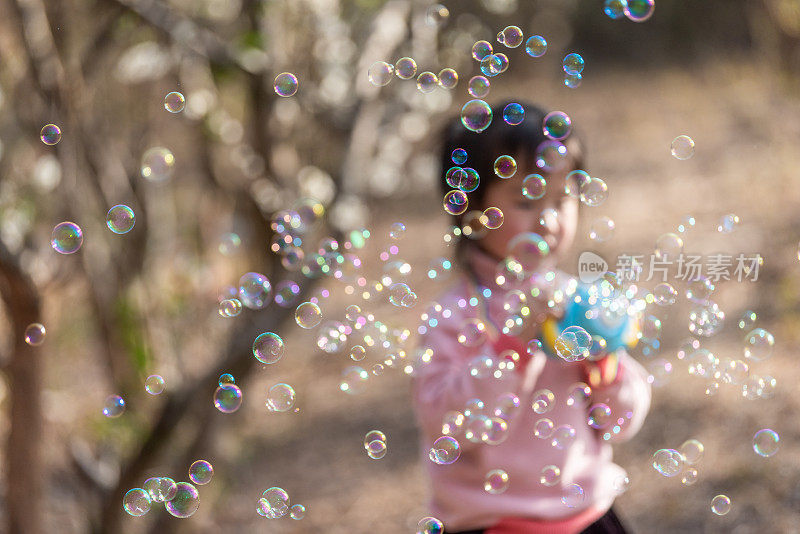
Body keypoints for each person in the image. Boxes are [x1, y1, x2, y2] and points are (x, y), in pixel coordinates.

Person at [413, 101, 652, 534]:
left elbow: (620, 422)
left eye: (562, 199)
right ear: (472, 212)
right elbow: (450, 425)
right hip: (493, 524)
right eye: (527, 200)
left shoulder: (577, 303)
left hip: (588, 516)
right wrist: (513, 346)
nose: (548, 219)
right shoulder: (455, 316)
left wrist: (606, 364)